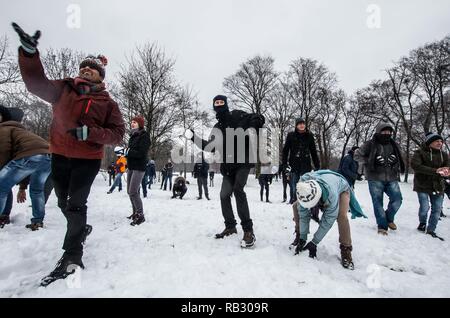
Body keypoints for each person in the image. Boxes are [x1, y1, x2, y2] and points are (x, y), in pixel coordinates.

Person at [13, 22, 125, 285]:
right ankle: (81, 229)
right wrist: (29, 55)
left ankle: (73, 255)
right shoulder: (63, 89)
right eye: (84, 67)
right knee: (64, 203)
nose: (87, 70)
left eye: (93, 69)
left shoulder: (108, 104)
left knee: (75, 204)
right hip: (60, 156)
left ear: (101, 77)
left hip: (87, 161)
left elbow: (118, 134)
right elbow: (36, 84)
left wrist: (91, 133)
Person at [189, 94, 265, 248]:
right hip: (228, 167)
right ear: (214, 106)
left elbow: (258, 117)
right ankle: (230, 226)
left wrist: (254, 125)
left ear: (226, 103)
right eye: (216, 102)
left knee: (238, 190)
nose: (219, 104)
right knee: (224, 195)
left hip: (243, 161)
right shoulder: (217, 128)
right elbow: (209, 147)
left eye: (221, 102)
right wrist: (193, 138)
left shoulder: (238, 115)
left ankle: (248, 230)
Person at [294, 170, 366, 269]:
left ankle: (346, 249)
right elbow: (303, 214)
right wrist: (303, 237)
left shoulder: (332, 194)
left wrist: (314, 242)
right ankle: (299, 237)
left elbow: (327, 220)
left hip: (341, 189)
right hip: (321, 187)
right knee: (296, 206)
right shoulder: (303, 188)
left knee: (341, 216)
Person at [0, 105, 51, 231]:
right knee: (37, 190)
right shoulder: (23, 131)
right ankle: (38, 221)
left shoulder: (4, 129)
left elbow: (4, 151)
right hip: (48, 157)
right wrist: (22, 187)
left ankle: (2, 216)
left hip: (29, 157)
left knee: (1, 186)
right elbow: (25, 162)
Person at [354, 122, 405, 236]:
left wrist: (395, 160)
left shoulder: (394, 145)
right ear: (378, 131)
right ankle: (382, 226)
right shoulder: (369, 144)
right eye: (384, 131)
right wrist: (371, 160)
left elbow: (399, 158)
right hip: (375, 177)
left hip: (391, 177)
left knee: (398, 200)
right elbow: (357, 155)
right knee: (378, 203)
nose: (387, 133)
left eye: (389, 132)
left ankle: (389, 218)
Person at [411, 132, 449, 240]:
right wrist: (436, 170)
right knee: (424, 207)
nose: (440, 143)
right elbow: (416, 166)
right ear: (430, 142)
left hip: (438, 185)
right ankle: (422, 223)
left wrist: (447, 172)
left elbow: (447, 167)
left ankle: (431, 229)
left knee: (437, 209)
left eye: (441, 141)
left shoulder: (444, 155)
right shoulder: (419, 153)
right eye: (437, 141)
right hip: (422, 184)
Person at [282, 118, 320, 204]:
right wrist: (284, 164)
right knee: (294, 187)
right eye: (299, 124)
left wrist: (317, 165)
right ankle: (295, 207)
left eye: (303, 123)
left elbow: (313, 151)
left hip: (306, 166)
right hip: (294, 165)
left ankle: (305, 207)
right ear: (296, 126)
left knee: (306, 188)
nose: (302, 125)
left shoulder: (309, 136)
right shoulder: (291, 135)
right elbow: (285, 151)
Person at [124, 117, 150, 226]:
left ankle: (140, 215)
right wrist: (125, 153)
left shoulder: (144, 136)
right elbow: (130, 152)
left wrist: (128, 151)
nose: (132, 124)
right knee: (129, 191)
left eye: (134, 122)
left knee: (133, 191)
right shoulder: (132, 136)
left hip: (139, 167)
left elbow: (141, 153)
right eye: (132, 122)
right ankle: (135, 213)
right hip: (131, 166)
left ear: (140, 124)